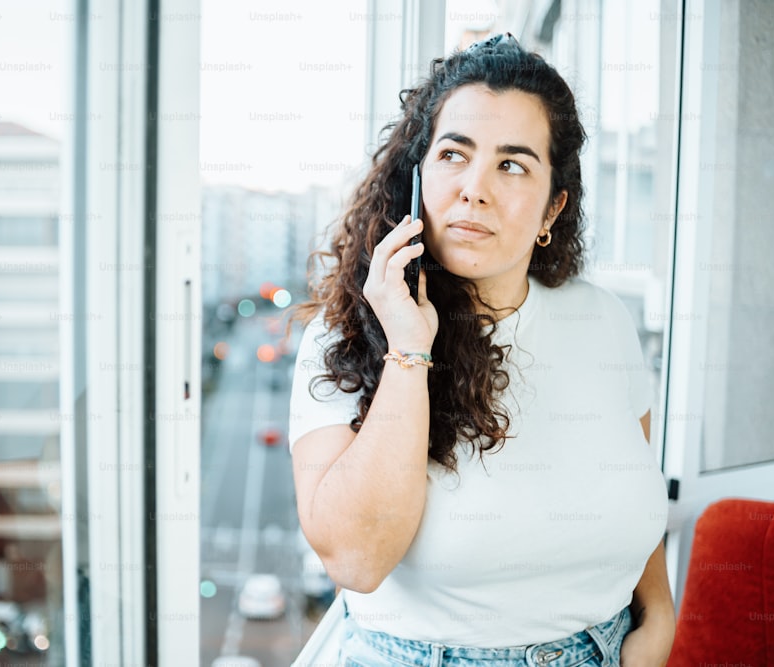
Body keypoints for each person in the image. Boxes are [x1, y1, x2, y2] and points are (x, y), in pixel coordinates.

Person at [288, 33, 675, 667]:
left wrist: (658, 617)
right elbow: (356, 559)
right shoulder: (345, 338)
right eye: (452, 155)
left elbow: (633, 489)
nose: (474, 188)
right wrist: (409, 349)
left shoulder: (602, 319)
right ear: (417, 180)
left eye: (513, 164)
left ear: (554, 207)